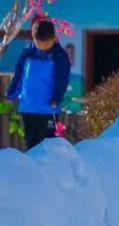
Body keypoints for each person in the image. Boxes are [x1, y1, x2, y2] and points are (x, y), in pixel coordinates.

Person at [5, 19, 71, 150]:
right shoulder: (27, 53)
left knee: (48, 143)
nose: (44, 46)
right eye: (40, 43)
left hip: (48, 108)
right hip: (28, 107)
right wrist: (12, 94)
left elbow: (62, 79)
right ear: (34, 40)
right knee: (31, 142)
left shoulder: (59, 56)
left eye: (47, 43)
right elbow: (19, 76)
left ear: (54, 38)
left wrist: (57, 98)